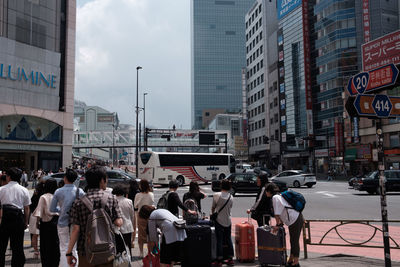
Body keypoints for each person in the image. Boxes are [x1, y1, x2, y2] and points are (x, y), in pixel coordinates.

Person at [66, 165, 123, 267]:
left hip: (86, 252)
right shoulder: (111, 198)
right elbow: (119, 222)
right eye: (106, 179)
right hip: (107, 251)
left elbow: (75, 229)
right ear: (102, 180)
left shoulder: (78, 202)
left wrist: (69, 252)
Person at [50, 169, 85, 267]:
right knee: (74, 248)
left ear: (65, 178)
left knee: (63, 247)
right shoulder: (80, 191)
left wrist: (61, 209)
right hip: (75, 223)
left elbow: (52, 208)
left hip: (62, 222)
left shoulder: (58, 191)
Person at [265, 183, 304, 267]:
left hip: (295, 219)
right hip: (295, 219)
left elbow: (277, 213)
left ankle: (296, 262)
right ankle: (290, 260)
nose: (265, 193)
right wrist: (279, 223)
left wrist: (278, 224)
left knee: (294, 241)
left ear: (269, 191)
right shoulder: (279, 196)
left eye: (266, 191)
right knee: (292, 240)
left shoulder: (275, 197)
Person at [0, 167, 31, 267]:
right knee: (17, 246)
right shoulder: (24, 190)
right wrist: (26, 222)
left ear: (8, 177)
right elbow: (26, 208)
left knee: (1, 245)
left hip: (4, 218)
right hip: (18, 219)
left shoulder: (1, 189)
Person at [33, 178, 60, 267]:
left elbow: (39, 213)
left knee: (45, 247)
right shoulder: (58, 196)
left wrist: (37, 223)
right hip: (57, 222)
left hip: (46, 224)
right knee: (56, 247)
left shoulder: (43, 197)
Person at [211, 179, 234, 266]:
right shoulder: (231, 196)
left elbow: (213, 207)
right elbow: (230, 207)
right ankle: (230, 258)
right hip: (228, 220)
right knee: (228, 239)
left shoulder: (216, 195)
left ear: (221, 186)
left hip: (219, 220)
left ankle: (219, 260)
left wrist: (213, 213)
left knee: (219, 240)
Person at [134, 179, 154, 258]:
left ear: (141, 186)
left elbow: (135, 205)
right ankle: (150, 252)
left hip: (141, 215)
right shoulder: (151, 194)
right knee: (150, 234)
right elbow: (152, 203)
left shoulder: (138, 195)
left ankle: (141, 253)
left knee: (141, 235)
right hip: (150, 215)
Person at [112, 185, 134, 254]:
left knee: (118, 247)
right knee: (128, 246)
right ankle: (128, 260)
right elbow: (132, 215)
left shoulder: (112, 201)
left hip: (116, 227)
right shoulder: (129, 201)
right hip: (127, 226)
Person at [29, 181, 46, 259]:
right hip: (44, 215)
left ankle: (36, 252)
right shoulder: (46, 195)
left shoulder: (35, 195)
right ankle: (43, 251)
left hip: (34, 215)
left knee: (35, 235)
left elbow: (31, 205)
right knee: (44, 235)